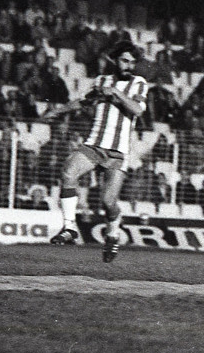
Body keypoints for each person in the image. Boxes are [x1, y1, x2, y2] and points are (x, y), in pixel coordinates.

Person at [47, 41, 148, 263]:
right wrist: (58, 111)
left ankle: (113, 234)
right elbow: (84, 102)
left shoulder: (139, 83)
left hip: (118, 152)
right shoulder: (101, 81)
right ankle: (69, 228)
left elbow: (137, 110)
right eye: (124, 61)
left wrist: (116, 93)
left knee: (108, 202)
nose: (128, 66)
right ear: (115, 60)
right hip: (94, 144)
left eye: (132, 62)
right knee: (68, 172)